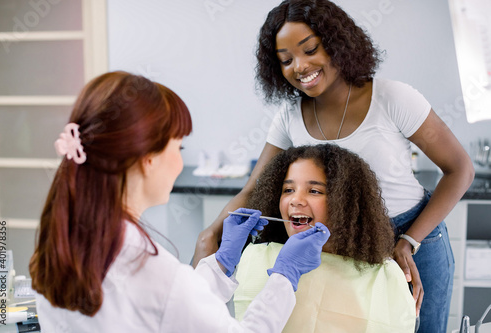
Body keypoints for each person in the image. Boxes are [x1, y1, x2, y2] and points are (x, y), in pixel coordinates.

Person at [192, 1, 475, 332]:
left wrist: (410, 240)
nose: (300, 66)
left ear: (338, 42)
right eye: (286, 60)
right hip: (341, 247)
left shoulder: (392, 98)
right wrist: (211, 234)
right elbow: (253, 188)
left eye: (310, 49)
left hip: (411, 238)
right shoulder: (288, 117)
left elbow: (460, 169)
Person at [28, 71, 330, 332]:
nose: (180, 161)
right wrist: (285, 275)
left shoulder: (63, 241)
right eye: (179, 147)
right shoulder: (143, 264)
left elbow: (169, 310)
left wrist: (221, 264)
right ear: (147, 159)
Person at [234, 144, 416, 332]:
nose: (296, 200)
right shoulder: (257, 258)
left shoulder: (383, 277)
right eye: (288, 189)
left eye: (314, 191)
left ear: (345, 203)